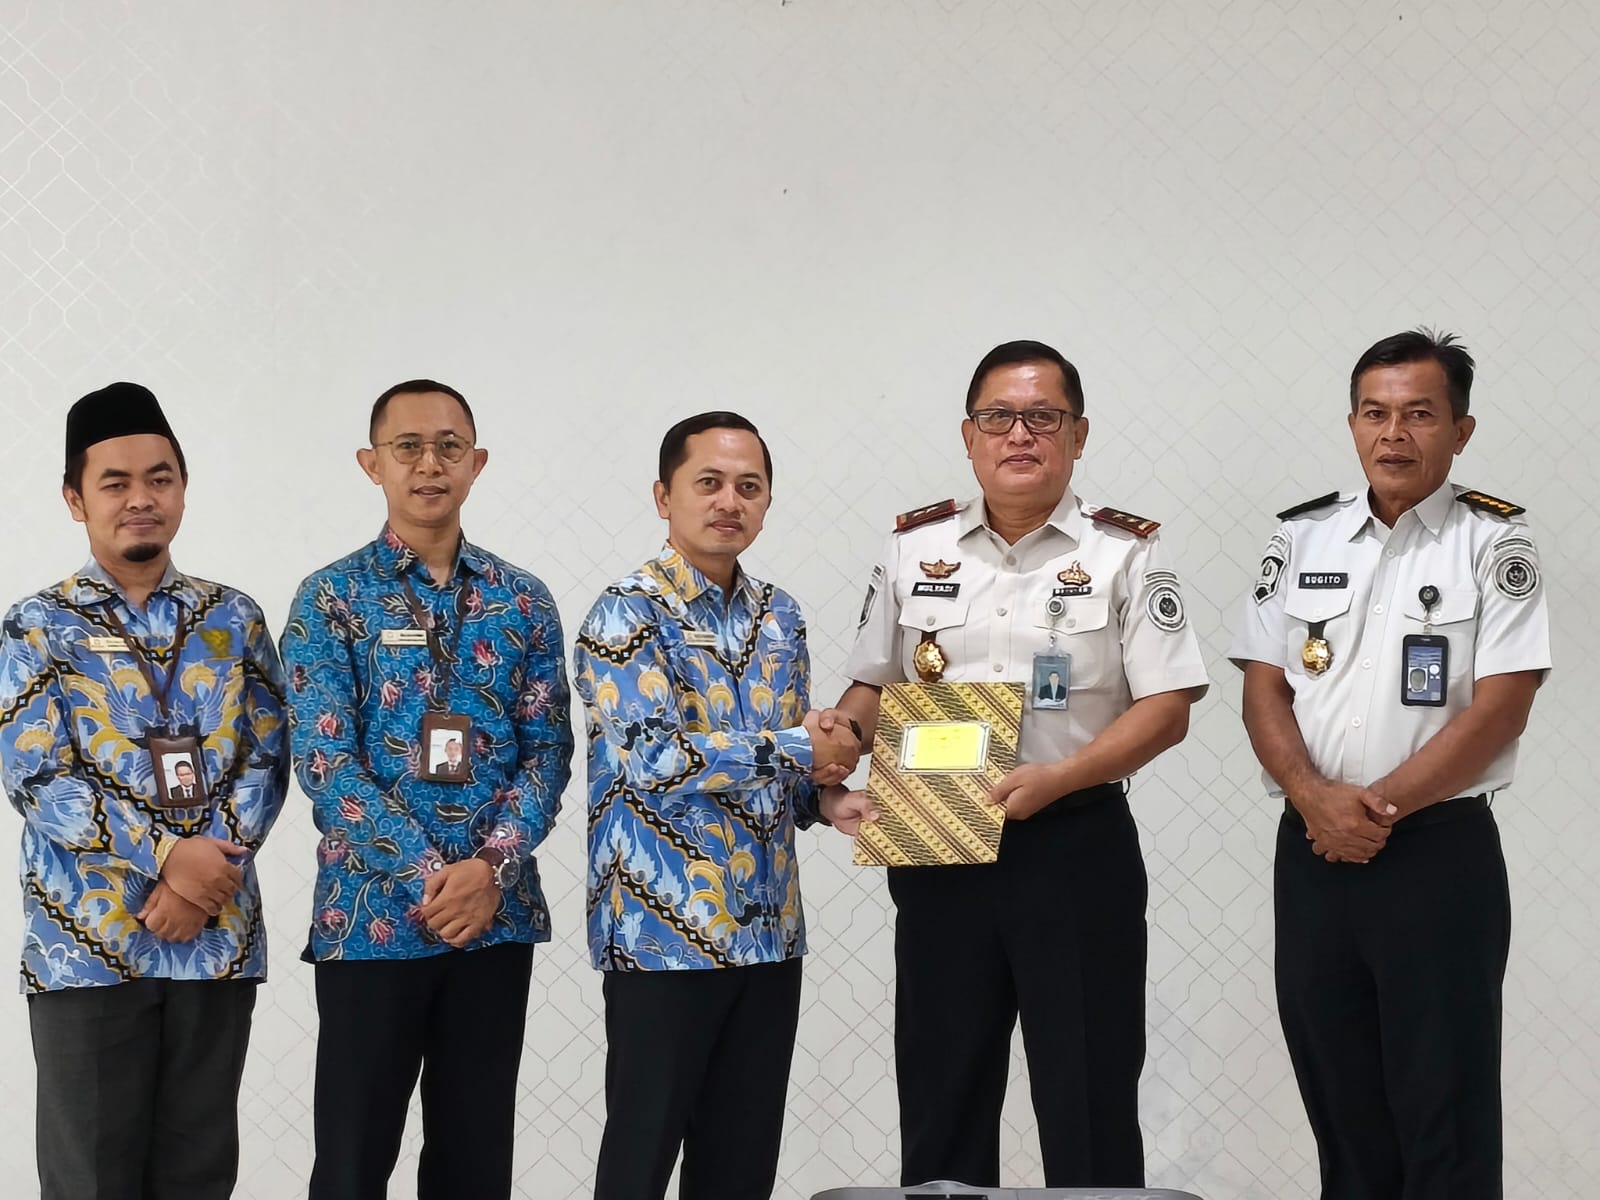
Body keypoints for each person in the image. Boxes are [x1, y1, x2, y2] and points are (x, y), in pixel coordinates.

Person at [829, 340, 1209, 1187]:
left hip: (1074, 845)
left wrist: (1060, 779)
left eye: (1043, 416)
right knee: (942, 1092)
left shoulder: (1123, 552)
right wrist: (839, 735)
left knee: (1088, 1094)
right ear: (970, 436)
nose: (1020, 434)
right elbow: (872, 688)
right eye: (999, 417)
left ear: (1079, 434)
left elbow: (1168, 708)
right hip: (939, 843)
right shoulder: (913, 547)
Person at [1229, 329, 1550, 1199]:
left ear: (1461, 429)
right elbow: (1263, 689)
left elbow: (1502, 707)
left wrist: (1372, 810)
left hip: (1436, 857)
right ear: (1353, 424)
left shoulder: (1494, 543)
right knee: (1343, 1116)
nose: (1394, 434)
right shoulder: (1302, 536)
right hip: (1313, 853)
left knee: (1445, 1120)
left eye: (1419, 414)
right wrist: (1314, 800)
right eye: (1375, 414)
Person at [280, 379, 574, 1200]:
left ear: (477, 463)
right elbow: (326, 764)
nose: (429, 464)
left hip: (493, 921)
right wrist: (431, 877)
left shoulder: (523, 599)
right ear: (371, 464)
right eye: (407, 447)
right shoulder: (330, 597)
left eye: (449, 446)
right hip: (370, 921)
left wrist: (491, 870)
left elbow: (548, 752)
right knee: (351, 1165)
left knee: (474, 1165)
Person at [0, 381, 288, 1200]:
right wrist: (167, 857)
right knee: (90, 1179)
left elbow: (269, 755)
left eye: (159, 479)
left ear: (183, 489)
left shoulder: (233, 618)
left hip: (216, 941)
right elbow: (37, 774)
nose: (141, 499)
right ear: (74, 499)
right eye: (115, 482)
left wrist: (203, 880)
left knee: (199, 1175)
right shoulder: (35, 625)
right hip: (86, 945)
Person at [573, 411, 869, 1200]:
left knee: (740, 1171)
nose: (729, 501)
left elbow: (785, 769)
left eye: (749, 486)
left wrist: (826, 800)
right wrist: (803, 747)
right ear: (664, 496)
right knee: (639, 1164)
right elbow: (656, 760)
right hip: (662, 935)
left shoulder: (782, 615)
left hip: (769, 934)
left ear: (767, 501)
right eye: (708, 482)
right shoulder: (626, 613)